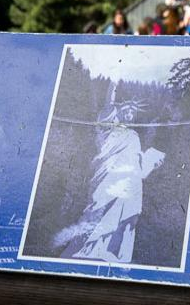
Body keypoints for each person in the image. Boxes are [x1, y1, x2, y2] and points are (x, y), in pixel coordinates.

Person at [52, 84, 164, 263]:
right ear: (118, 111)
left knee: (123, 214)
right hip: (107, 175)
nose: (130, 114)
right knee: (98, 207)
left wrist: (151, 162)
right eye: (126, 110)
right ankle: (85, 249)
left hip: (128, 183)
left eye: (133, 112)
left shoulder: (133, 136)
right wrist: (112, 85)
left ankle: (110, 250)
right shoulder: (109, 128)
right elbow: (107, 107)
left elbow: (138, 167)